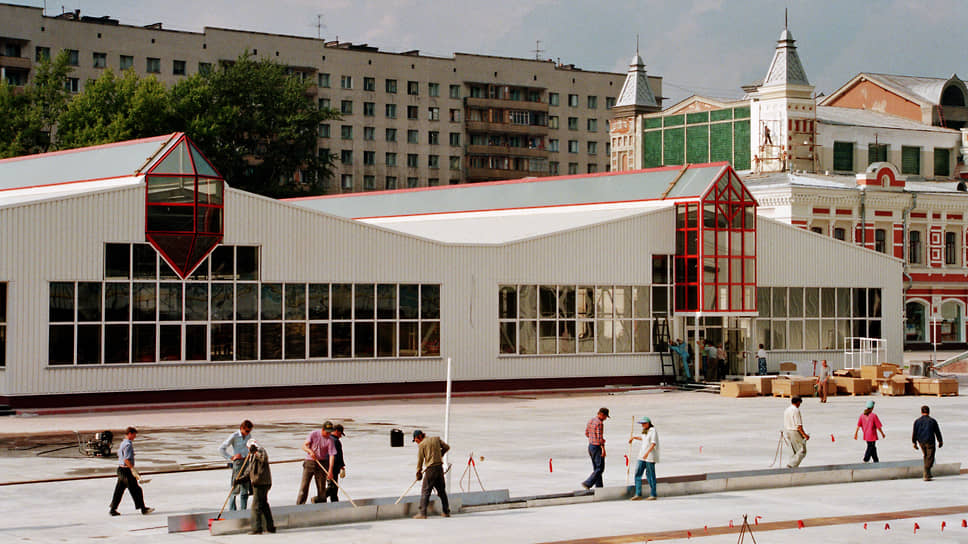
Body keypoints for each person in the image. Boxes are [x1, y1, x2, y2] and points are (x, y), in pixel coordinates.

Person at [109, 426, 153, 516]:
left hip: (120, 470)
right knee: (136, 489)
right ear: (130, 434)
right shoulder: (128, 444)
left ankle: (113, 509)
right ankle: (143, 508)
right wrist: (133, 470)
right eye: (134, 435)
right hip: (126, 471)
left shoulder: (123, 443)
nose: (135, 437)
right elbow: (126, 459)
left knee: (119, 490)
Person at [235, 439, 275, 534]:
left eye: (249, 448)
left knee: (256, 506)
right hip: (258, 482)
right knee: (264, 505)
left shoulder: (261, 451)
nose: (248, 449)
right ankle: (270, 527)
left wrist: (255, 452)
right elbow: (249, 470)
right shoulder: (252, 455)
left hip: (262, 483)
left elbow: (263, 458)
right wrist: (240, 479)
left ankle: (257, 528)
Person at [412, 429, 450, 519]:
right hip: (439, 468)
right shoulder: (436, 439)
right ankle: (446, 512)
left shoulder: (422, 445)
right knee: (441, 491)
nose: (416, 442)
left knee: (425, 491)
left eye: (416, 440)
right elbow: (446, 447)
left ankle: (422, 513)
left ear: (420, 437)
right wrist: (440, 454)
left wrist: (418, 472)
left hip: (431, 470)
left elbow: (420, 460)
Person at [297, 421, 337, 504]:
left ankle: (321, 505)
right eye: (327, 432)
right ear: (322, 429)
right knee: (304, 485)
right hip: (310, 462)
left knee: (321, 487)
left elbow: (332, 455)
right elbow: (304, 446)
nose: (328, 434)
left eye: (330, 432)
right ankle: (300, 505)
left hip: (322, 463)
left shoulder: (330, 440)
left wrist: (330, 470)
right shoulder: (313, 434)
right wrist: (310, 451)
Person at [218, 419, 253, 511]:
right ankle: (232, 510)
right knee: (235, 487)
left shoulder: (249, 436)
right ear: (242, 428)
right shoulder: (234, 436)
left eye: (249, 431)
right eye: (246, 431)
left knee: (245, 487)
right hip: (238, 463)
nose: (247, 433)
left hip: (246, 462)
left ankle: (243, 510)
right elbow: (221, 449)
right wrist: (231, 457)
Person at [628, 416, 659, 500]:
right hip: (641, 456)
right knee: (638, 474)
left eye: (644, 423)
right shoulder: (645, 431)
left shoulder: (653, 431)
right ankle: (638, 494)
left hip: (649, 456)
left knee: (650, 475)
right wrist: (634, 438)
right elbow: (643, 438)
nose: (642, 425)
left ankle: (653, 494)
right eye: (642, 424)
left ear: (648, 423)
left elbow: (653, 443)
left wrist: (647, 453)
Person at [912, 405, 943, 481]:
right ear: (929, 412)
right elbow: (937, 432)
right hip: (930, 441)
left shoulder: (917, 421)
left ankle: (928, 472)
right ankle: (926, 472)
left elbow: (914, 432)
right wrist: (940, 441)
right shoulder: (932, 421)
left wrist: (914, 442)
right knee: (930, 456)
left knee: (926, 455)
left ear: (921, 412)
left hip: (921, 441)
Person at [582, 407, 609, 489]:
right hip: (597, 447)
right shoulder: (599, 423)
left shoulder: (591, 420)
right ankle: (588, 483)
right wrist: (603, 449)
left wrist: (592, 438)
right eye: (605, 417)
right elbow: (600, 438)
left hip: (591, 446)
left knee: (596, 468)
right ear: (602, 415)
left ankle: (599, 487)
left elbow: (586, 433)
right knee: (600, 468)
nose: (605, 419)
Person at [783, 396, 809, 468]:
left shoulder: (787, 410)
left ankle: (793, 464)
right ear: (798, 402)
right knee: (802, 450)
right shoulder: (796, 410)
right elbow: (799, 425)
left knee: (793, 450)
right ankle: (792, 465)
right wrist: (804, 435)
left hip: (788, 431)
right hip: (794, 431)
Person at [324, 424, 347, 502]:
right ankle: (318, 499)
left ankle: (335, 503)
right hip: (332, 467)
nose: (340, 436)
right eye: (340, 434)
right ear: (337, 431)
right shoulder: (335, 441)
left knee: (333, 487)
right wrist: (341, 466)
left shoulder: (327, 439)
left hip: (327, 466)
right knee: (332, 487)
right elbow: (337, 455)